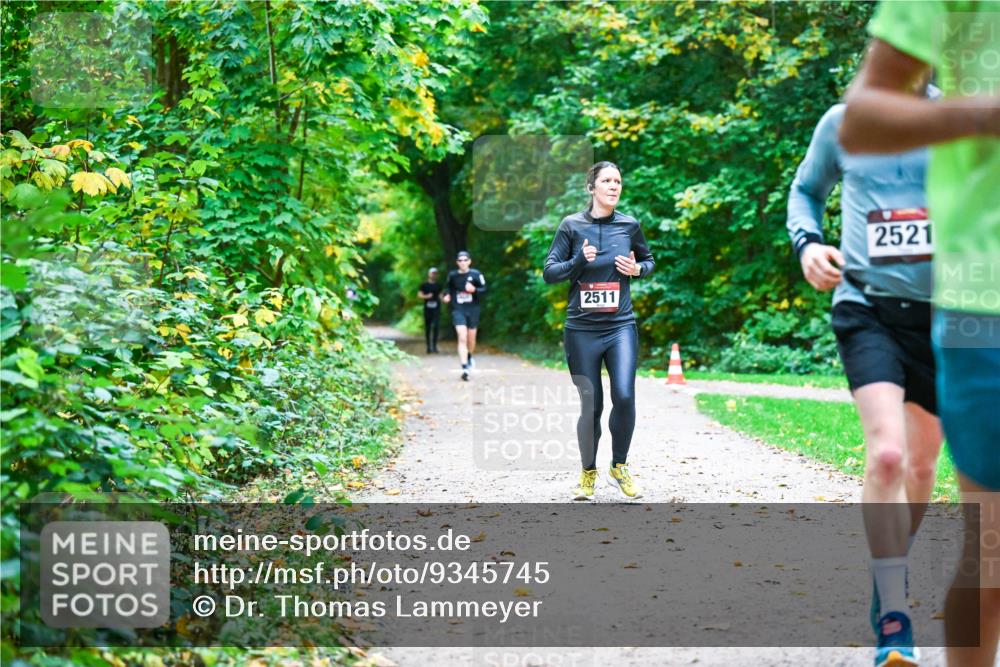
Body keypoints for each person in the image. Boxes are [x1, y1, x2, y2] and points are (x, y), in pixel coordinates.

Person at [839, 4, 999, 666]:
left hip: (941, 303)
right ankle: (893, 612)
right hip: (966, 302)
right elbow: (860, 121)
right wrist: (807, 244)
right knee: (989, 550)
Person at [787, 90, 944, 667]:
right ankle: (896, 621)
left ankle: (887, 577)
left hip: (942, 316)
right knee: (886, 456)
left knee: (923, 466)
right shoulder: (843, 122)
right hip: (866, 308)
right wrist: (807, 244)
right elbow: (806, 191)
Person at [543, 161, 654, 501]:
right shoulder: (571, 226)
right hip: (581, 330)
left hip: (620, 325)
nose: (614, 186)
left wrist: (637, 268)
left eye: (618, 180)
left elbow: (649, 260)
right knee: (591, 405)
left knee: (624, 395)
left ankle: (618, 466)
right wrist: (579, 260)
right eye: (606, 180)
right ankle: (588, 472)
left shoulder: (629, 225)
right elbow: (550, 272)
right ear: (591, 187)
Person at [441, 251, 487, 381]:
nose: (462, 262)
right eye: (460, 260)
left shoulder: (476, 274)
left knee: (471, 339)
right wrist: (446, 296)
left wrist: (475, 290)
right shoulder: (452, 275)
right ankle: (465, 367)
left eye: (465, 260)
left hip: (473, 309)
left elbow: (485, 290)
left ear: (469, 261)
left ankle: (470, 355)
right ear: (457, 262)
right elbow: (447, 289)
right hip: (458, 309)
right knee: (462, 336)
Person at [417, 268, 442, 354]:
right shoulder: (424, 285)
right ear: (429, 274)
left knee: (436, 327)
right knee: (428, 328)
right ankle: (428, 347)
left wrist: (445, 299)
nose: (434, 275)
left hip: (437, 309)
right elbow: (419, 295)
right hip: (427, 309)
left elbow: (440, 295)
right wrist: (426, 296)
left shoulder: (439, 285)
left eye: (435, 273)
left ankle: (434, 346)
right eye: (432, 273)